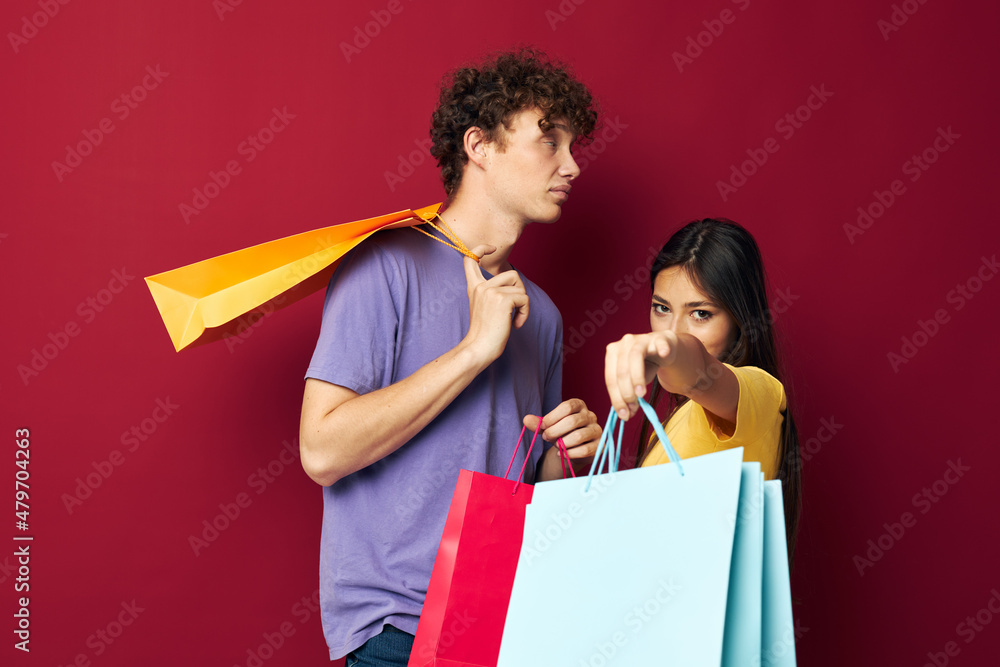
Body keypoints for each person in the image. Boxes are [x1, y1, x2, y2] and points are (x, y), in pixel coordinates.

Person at [298, 49, 602, 665]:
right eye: (550, 141)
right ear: (479, 146)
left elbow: (531, 490)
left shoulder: (539, 314)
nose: (571, 166)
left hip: (503, 625)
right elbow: (321, 452)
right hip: (397, 632)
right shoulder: (384, 263)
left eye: (574, 147)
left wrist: (570, 456)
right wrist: (473, 351)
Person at [603, 218, 802, 549]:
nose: (674, 328)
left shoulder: (760, 393)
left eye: (701, 314)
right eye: (662, 308)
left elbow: (695, 368)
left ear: (740, 321)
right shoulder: (677, 421)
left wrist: (663, 348)